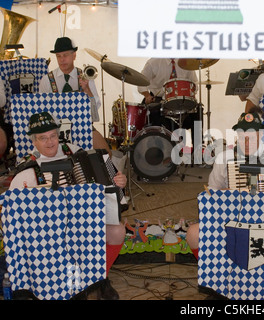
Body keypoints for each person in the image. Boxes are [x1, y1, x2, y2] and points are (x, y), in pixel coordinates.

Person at [9, 111, 126, 300]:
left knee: (117, 231)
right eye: (43, 138)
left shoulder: (75, 151)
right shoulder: (26, 170)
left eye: (53, 136)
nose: (50, 142)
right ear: (34, 142)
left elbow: (108, 178)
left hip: (85, 223)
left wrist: (120, 181)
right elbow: (16, 211)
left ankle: (99, 279)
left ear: (58, 134)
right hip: (48, 234)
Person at [185, 108, 264, 269]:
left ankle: (262, 280)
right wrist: (230, 193)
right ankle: (216, 273)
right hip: (232, 220)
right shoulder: (224, 157)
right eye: (241, 137)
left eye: (251, 138)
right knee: (192, 234)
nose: (246, 143)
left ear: (261, 135)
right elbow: (209, 194)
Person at [38, 37, 111, 157]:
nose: (62, 60)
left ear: (74, 56)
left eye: (65, 55)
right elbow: (41, 110)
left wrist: (87, 90)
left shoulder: (85, 75)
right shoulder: (46, 80)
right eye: (58, 56)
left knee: (106, 154)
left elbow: (96, 107)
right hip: (55, 129)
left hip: (82, 126)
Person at [137, 58, 200, 141]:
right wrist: (147, 95)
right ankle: (161, 145)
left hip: (181, 99)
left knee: (198, 110)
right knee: (154, 110)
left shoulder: (186, 61)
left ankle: (197, 148)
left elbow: (194, 82)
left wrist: (191, 92)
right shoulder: (154, 62)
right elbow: (141, 82)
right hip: (158, 98)